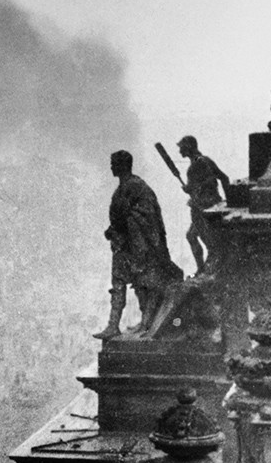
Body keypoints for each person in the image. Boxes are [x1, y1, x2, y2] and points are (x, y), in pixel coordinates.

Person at [94, 150, 184, 340]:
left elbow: (145, 215)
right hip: (123, 244)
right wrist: (113, 229)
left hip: (139, 245)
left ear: (123, 165)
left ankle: (146, 322)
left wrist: (124, 226)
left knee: (143, 283)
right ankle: (113, 326)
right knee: (119, 283)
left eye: (114, 163)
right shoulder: (123, 188)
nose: (111, 166)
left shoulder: (136, 186)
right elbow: (120, 215)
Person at [178, 135, 231, 275]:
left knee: (208, 242)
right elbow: (223, 178)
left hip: (203, 208)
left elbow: (209, 182)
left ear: (188, 147)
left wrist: (191, 189)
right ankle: (202, 269)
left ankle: (207, 270)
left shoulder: (197, 164)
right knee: (192, 236)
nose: (180, 151)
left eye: (182, 147)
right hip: (208, 206)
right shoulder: (205, 160)